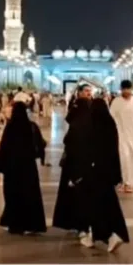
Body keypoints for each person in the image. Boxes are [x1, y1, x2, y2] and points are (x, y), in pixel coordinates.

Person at [69, 98, 129, 252]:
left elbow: (89, 151)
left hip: (95, 172)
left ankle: (106, 235)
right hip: (108, 172)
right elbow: (113, 151)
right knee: (107, 204)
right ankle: (104, 235)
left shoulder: (93, 125)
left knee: (95, 205)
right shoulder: (110, 123)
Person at [0, 102, 47, 234]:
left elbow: (3, 148)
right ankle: (33, 224)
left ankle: (15, 224)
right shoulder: (31, 126)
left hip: (12, 169)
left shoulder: (10, 127)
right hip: (28, 167)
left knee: (13, 196)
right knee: (30, 195)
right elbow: (41, 144)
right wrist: (41, 158)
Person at [52, 84, 93, 234]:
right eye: (86, 91)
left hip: (80, 156)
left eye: (90, 91)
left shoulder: (88, 107)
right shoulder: (78, 107)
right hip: (77, 156)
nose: (89, 94)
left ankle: (77, 221)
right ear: (80, 92)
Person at [109, 80, 133, 193]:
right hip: (120, 135)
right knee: (124, 158)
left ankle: (131, 182)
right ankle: (126, 182)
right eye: (124, 89)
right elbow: (111, 119)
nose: (126, 91)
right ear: (121, 90)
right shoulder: (116, 102)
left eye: (128, 89)